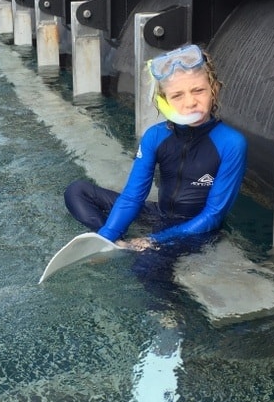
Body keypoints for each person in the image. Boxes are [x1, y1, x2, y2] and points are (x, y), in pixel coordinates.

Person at [64, 44, 247, 253]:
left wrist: (155, 239)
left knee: (144, 268)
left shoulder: (231, 143)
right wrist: (107, 237)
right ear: (164, 100)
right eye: (177, 95)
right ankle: (117, 243)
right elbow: (133, 196)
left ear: (213, 89)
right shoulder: (155, 136)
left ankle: (141, 251)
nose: (190, 103)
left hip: (196, 229)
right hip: (158, 214)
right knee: (77, 191)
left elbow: (213, 215)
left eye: (198, 91)